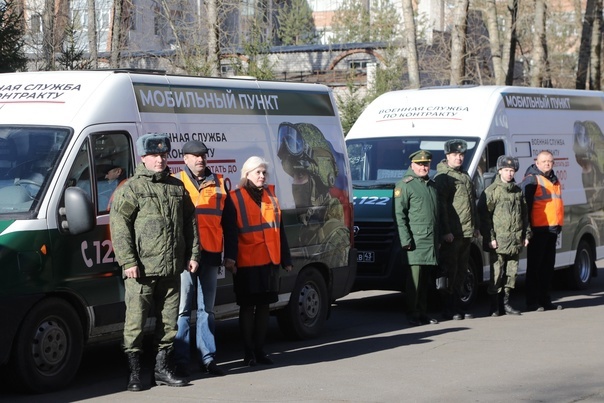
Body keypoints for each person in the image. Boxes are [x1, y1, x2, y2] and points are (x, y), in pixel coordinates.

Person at [110, 133, 200, 391]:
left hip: (172, 267)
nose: (160, 159)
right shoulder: (131, 188)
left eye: (163, 155)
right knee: (135, 323)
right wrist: (128, 261)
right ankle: (135, 373)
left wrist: (193, 255)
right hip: (141, 270)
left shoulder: (176, 186)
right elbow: (120, 227)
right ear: (143, 158)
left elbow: (190, 223)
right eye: (154, 155)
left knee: (169, 323)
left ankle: (162, 369)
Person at [173, 140, 237, 377]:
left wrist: (230, 255)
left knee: (206, 310)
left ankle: (207, 358)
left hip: (210, 255)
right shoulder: (176, 182)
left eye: (203, 155)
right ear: (185, 159)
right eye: (195, 155)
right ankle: (180, 359)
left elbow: (230, 223)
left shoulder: (219, 183)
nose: (200, 159)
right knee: (182, 310)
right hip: (185, 257)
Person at [229, 156, 293, 366]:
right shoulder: (235, 198)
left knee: (265, 307)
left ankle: (260, 350)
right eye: (257, 172)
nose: (262, 176)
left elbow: (279, 231)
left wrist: (286, 259)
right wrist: (230, 260)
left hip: (269, 262)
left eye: (264, 172)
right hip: (246, 263)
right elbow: (230, 233)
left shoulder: (271, 197)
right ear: (246, 174)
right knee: (248, 308)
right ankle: (248, 353)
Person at [478, 155, 531, 317]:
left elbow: (524, 215)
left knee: (511, 273)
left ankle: (506, 303)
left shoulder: (517, 191)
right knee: (496, 273)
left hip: (515, 240)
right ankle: (494, 306)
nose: (509, 173)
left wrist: (526, 234)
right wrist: (490, 237)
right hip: (499, 241)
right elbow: (484, 217)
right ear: (500, 171)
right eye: (506, 170)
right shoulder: (492, 191)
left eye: (512, 171)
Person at [434, 139, 479, 321]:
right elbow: (442, 206)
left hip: (466, 232)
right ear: (447, 156)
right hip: (453, 233)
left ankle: (457, 306)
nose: (459, 158)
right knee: (449, 271)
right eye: (455, 155)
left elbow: (471, 204)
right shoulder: (444, 177)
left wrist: (475, 226)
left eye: (461, 155)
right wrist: (445, 231)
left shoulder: (464, 175)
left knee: (461, 271)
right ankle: (447, 308)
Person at [394, 150, 439, 326]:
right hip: (416, 242)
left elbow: (437, 215)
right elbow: (399, 215)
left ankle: (423, 312)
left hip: (430, 241)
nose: (423, 167)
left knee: (426, 281)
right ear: (412, 165)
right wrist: (405, 240)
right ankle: (413, 313)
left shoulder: (431, 185)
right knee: (415, 281)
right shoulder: (405, 185)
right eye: (420, 164)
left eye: (426, 164)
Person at [520, 150, 564, 312]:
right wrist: (527, 230)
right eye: (544, 161)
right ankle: (532, 302)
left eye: (550, 161)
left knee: (547, 267)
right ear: (537, 163)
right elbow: (525, 208)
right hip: (538, 230)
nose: (547, 164)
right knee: (535, 268)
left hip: (552, 230)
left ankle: (545, 300)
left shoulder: (554, 179)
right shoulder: (532, 180)